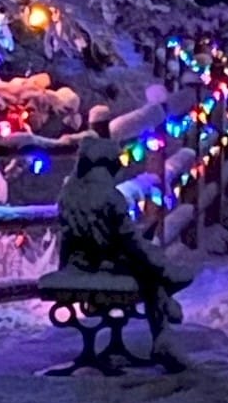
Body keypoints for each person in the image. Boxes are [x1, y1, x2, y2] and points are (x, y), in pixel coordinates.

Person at [54, 106, 191, 367]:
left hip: (78, 265)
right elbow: (129, 241)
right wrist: (154, 260)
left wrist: (63, 268)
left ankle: (164, 306)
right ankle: (162, 331)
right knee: (149, 272)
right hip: (103, 268)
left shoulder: (68, 195)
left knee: (148, 270)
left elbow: (70, 238)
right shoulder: (109, 198)